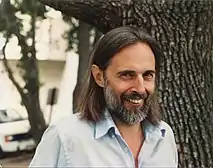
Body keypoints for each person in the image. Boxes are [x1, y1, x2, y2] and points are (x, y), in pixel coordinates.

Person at [29, 26, 178, 168]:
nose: (140, 88)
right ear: (99, 76)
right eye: (127, 75)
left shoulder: (164, 137)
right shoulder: (64, 137)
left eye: (147, 75)